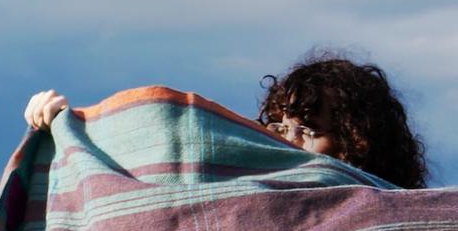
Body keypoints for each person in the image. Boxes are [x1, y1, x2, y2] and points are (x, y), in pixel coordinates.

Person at [23, 52, 430, 189]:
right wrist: (65, 126)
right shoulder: (251, 198)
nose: (289, 143)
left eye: (308, 132)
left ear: (361, 143)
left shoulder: (411, 227)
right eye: (280, 127)